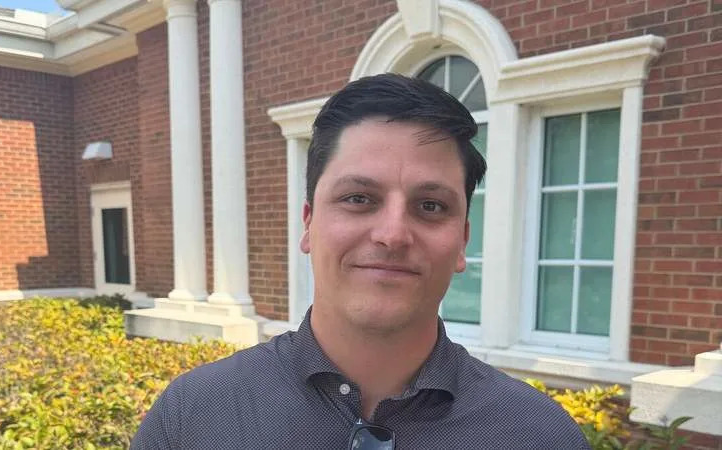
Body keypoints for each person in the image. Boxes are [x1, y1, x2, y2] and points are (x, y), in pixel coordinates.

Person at [131, 73, 590, 449]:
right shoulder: (193, 418)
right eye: (358, 198)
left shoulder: (540, 436)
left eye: (430, 206)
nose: (393, 234)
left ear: (462, 242)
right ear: (309, 223)